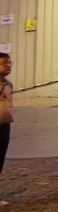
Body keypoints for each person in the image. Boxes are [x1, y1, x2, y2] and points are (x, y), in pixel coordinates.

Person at [0, 52, 12, 202]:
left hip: (4, 126)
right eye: (4, 63)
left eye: (10, 63)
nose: (8, 66)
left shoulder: (9, 85)